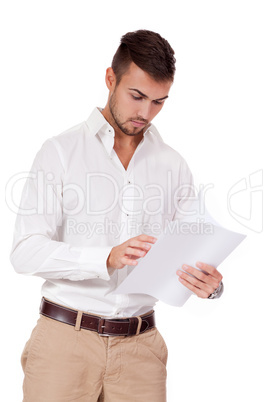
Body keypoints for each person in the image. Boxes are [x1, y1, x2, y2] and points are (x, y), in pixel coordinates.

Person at [10, 29, 223, 402]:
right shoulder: (60, 152)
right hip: (64, 345)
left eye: (159, 101)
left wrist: (212, 284)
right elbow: (25, 251)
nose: (145, 113)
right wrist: (105, 257)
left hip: (142, 352)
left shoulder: (173, 165)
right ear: (110, 79)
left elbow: (196, 248)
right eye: (136, 96)